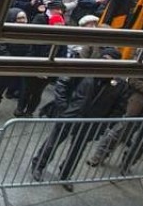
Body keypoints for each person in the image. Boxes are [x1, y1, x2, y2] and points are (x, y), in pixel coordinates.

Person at [30, 49, 128, 191]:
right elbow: (63, 84)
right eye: (105, 59)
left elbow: (119, 108)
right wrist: (64, 108)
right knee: (53, 141)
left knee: (77, 149)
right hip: (70, 115)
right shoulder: (84, 68)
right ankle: (38, 165)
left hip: (90, 123)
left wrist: (103, 124)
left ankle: (66, 174)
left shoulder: (119, 84)